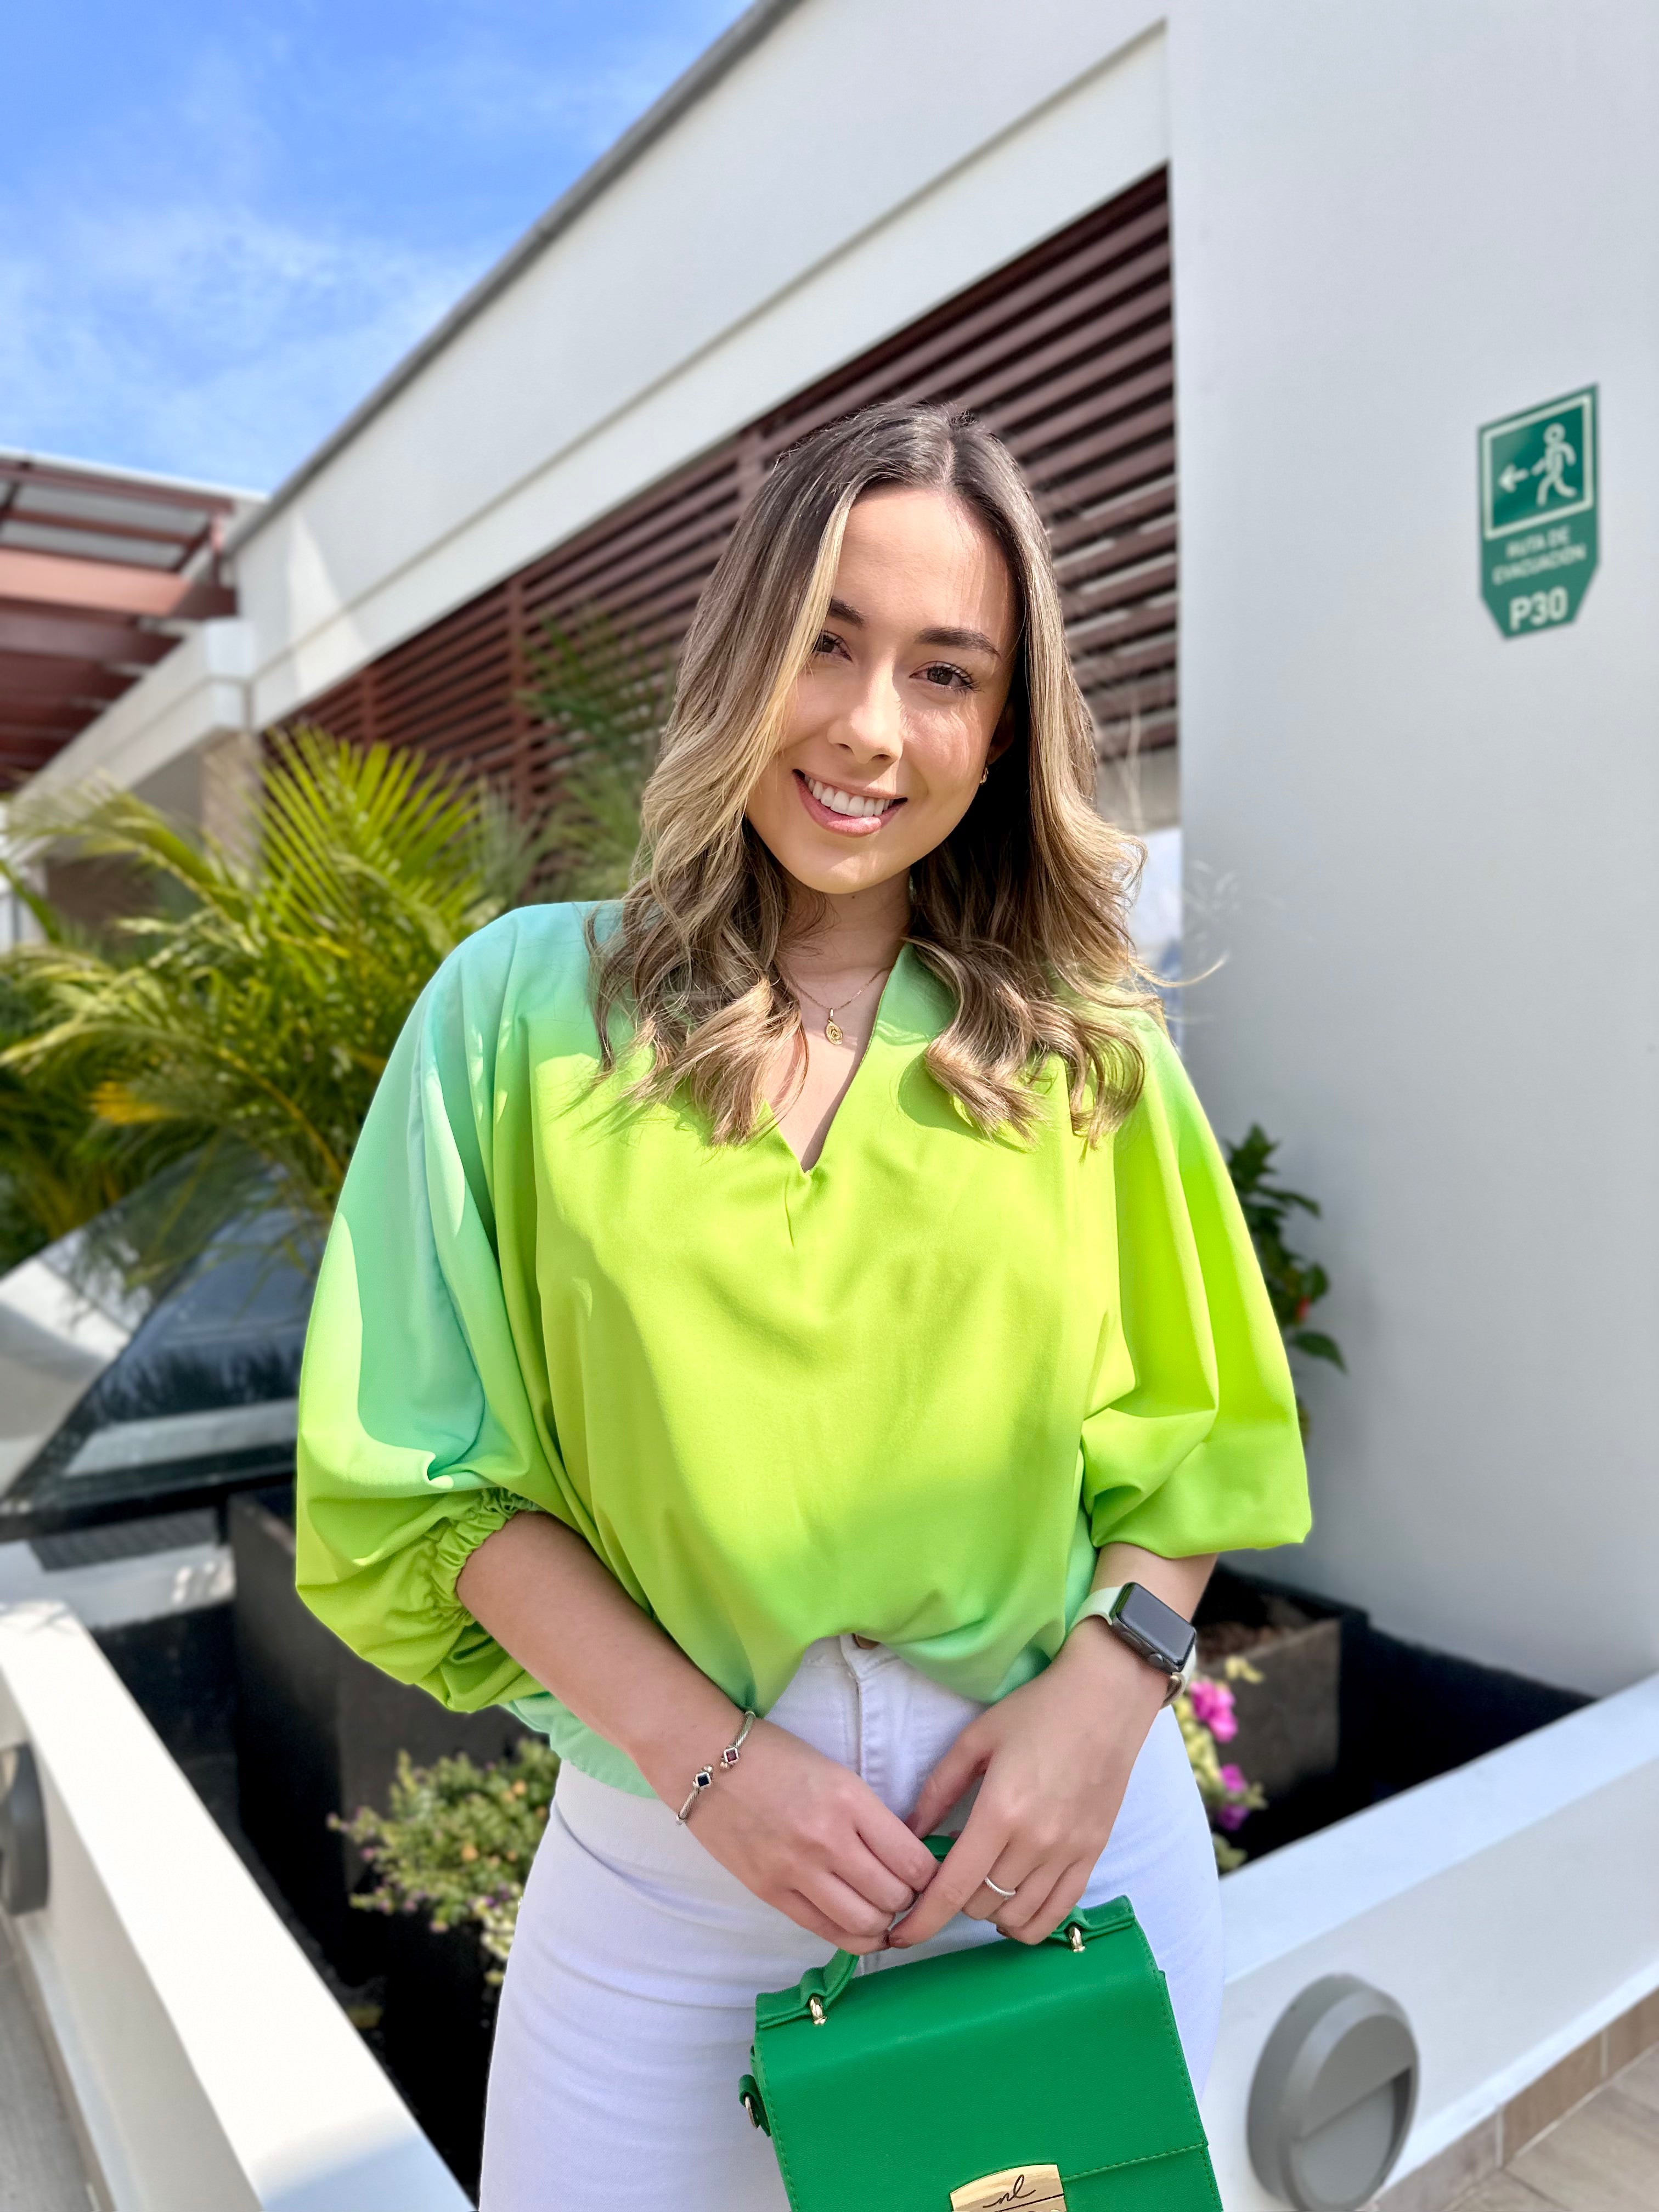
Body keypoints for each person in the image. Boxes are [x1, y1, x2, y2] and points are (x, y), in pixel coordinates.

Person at [294, 402, 1310, 2211]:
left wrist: (1107, 1699)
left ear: (1002, 730)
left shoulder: (1082, 1045)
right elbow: (425, 1482)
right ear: (740, 652)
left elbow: (1200, 1441)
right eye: (825, 643)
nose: (868, 726)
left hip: (1054, 1862)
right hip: (670, 1893)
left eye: (945, 672)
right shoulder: (519, 1015)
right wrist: (711, 1769)